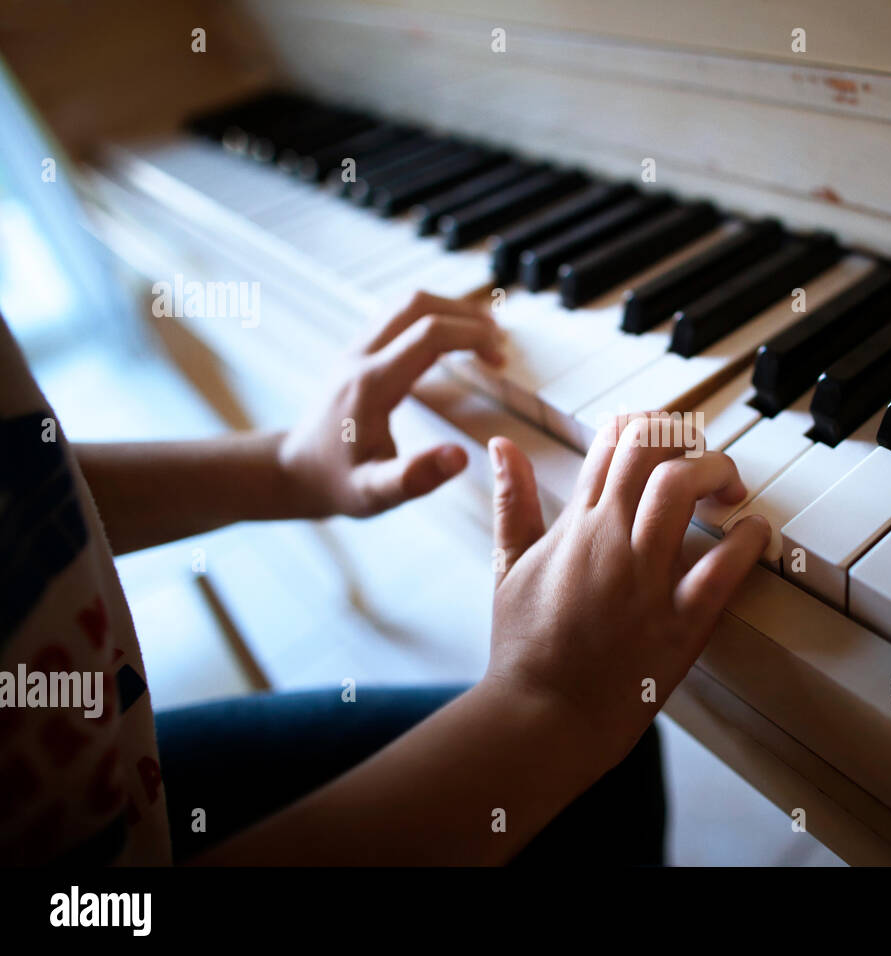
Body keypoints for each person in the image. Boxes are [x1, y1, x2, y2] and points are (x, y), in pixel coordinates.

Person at [0, 292, 770, 866]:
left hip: (101, 774)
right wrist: (548, 706)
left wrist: (278, 472)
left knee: (603, 775)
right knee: (589, 777)